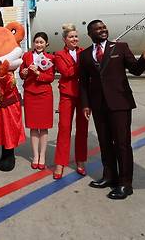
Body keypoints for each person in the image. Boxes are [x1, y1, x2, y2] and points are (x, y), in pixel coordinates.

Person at [79, 20, 145, 200]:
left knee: (122, 144)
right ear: (90, 33)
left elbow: (136, 70)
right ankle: (109, 176)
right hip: (99, 106)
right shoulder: (84, 55)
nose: (103, 30)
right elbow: (83, 83)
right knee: (105, 143)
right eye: (98, 29)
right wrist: (85, 104)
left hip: (120, 104)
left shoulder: (120, 47)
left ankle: (125, 183)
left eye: (104, 27)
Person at [52, 23, 89, 179]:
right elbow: (66, 72)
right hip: (67, 94)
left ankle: (80, 161)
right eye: (71, 37)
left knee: (82, 129)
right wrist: (82, 63)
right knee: (64, 128)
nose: (74, 39)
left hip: (84, 95)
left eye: (76, 36)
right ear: (65, 39)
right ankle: (60, 163)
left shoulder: (84, 52)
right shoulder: (59, 54)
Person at [19, 32, 55, 170]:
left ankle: (43, 156)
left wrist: (38, 73)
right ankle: (35, 156)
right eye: (37, 42)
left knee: (44, 127)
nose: (39, 44)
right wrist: (26, 72)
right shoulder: (26, 56)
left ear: (46, 44)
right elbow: (22, 74)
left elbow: (50, 77)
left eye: (41, 42)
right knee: (33, 127)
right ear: (33, 43)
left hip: (44, 94)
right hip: (30, 93)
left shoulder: (50, 58)